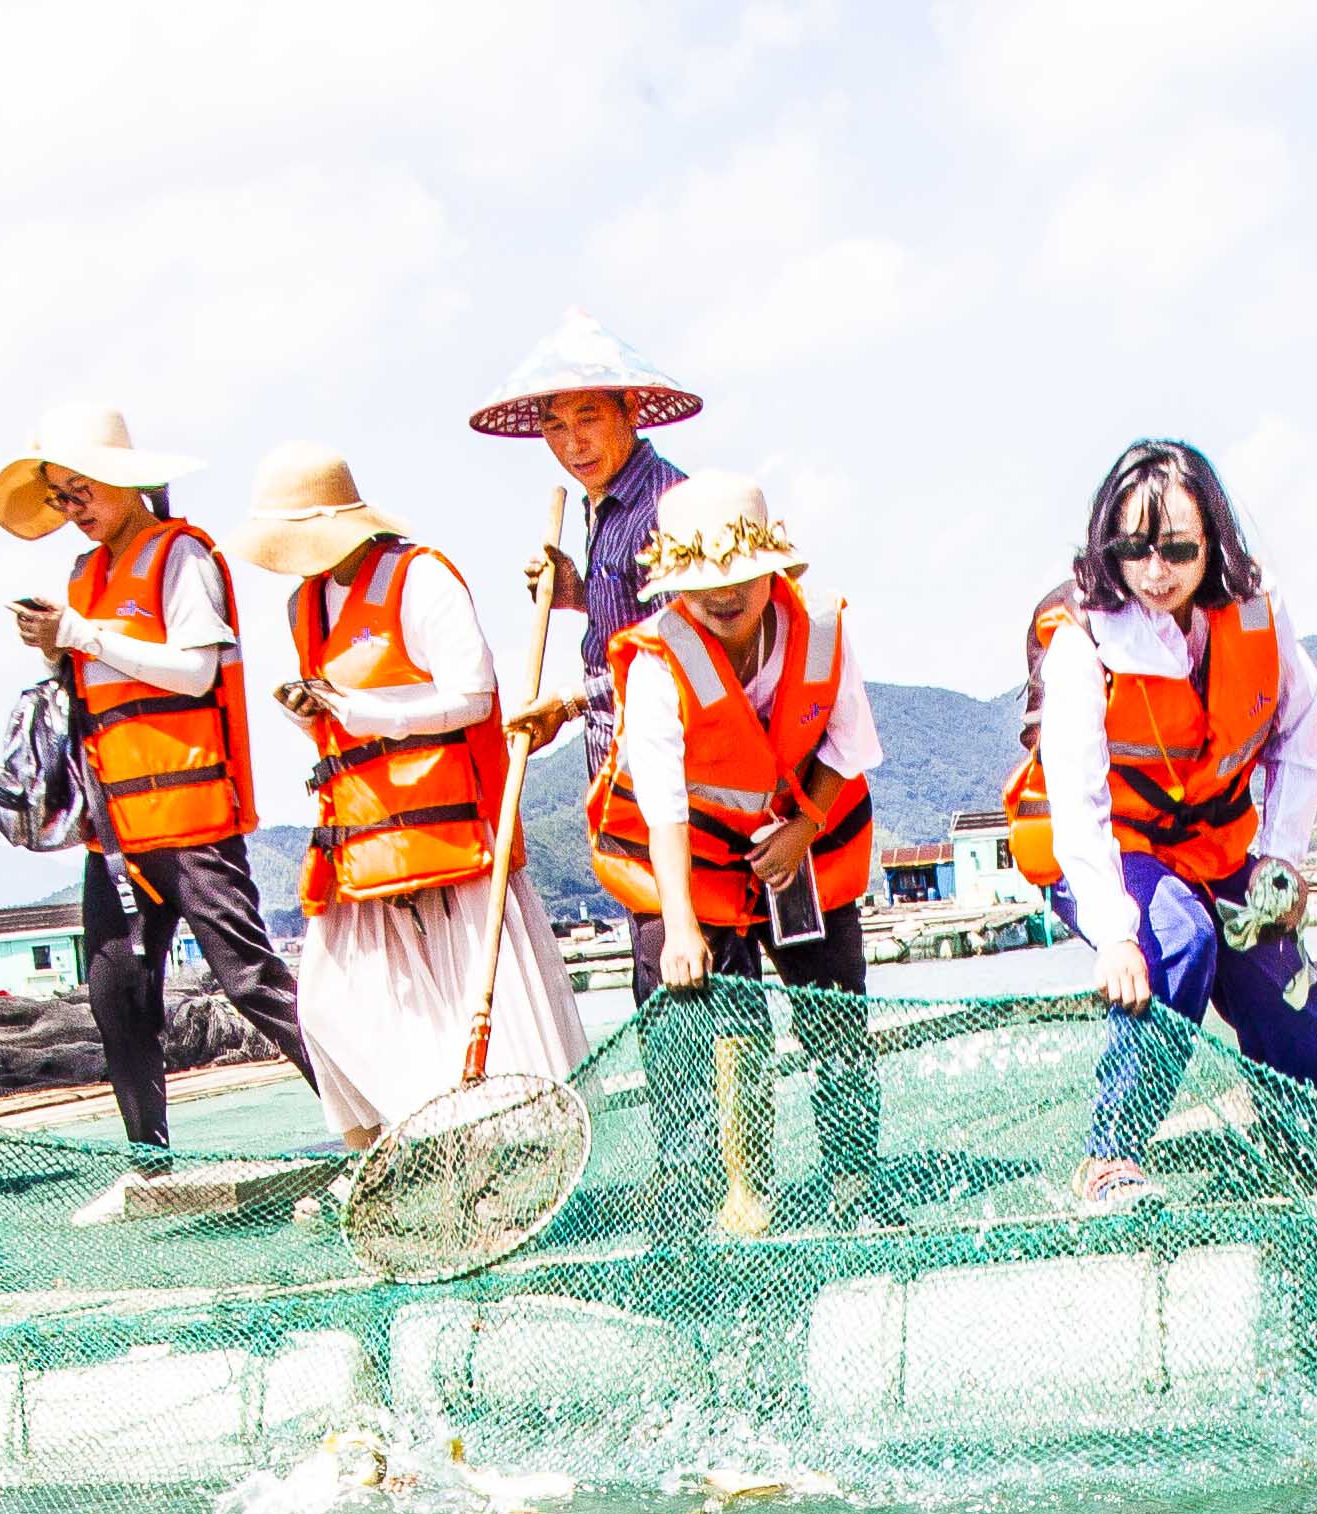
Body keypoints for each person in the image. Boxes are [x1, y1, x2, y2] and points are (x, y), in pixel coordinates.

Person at [1012, 440, 1317, 1209]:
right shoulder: (1083, 639)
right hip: (1115, 849)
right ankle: (1110, 1161)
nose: (1154, 570)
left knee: (1311, 1039)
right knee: (1175, 943)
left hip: (1219, 849)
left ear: (1214, 543)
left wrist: (1283, 860)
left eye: (1176, 548)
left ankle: (1302, 1151)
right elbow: (1079, 799)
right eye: (1131, 548)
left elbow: (1299, 742)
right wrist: (1116, 931)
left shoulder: (1263, 617)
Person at [233, 442, 578, 1149]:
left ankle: (515, 1150)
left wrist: (359, 708)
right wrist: (315, 710)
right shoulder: (305, 603)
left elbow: (473, 694)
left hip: (452, 838)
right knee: (328, 1005)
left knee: (489, 1004)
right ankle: (410, 1146)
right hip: (361, 842)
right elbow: (343, 718)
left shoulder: (421, 578)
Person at [0, 404, 314, 1156]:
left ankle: (373, 1120)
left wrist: (78, 634)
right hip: (116, 831)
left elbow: (196, 669)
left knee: (250, 981)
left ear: (125, 483)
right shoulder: (85, 576)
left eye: (83, 493)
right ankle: (150, 1158)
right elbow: (96, 677)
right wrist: (55, 649)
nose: (75, 513)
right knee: (116, 994)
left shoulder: (181, 558)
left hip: (192, 820)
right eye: (62, 499)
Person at [585, 476, 884, 1235]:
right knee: (729, 1022)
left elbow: (850, 745)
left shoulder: (819, 631)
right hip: (703, 863)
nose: (724, 596)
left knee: (836, 1018)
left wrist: (803, 828)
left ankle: (855, 1183)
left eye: (739, 578)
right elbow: (663, 803)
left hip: (801, 845)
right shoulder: (657, 660)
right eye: (702, 583)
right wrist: (682, 929)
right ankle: (742, 1193)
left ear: (771, 570)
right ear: (676, 586)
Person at [472, 317, 707, 920]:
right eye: (555, 426)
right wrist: (577, 592)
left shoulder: (666, 505)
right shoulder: (604, 504)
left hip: (677, 786)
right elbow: (633, 614)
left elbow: (680, 654)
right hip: (623, 781)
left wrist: (571, 701)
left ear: (630, 409)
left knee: (685, 969)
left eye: (588, 418)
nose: (572, 444)